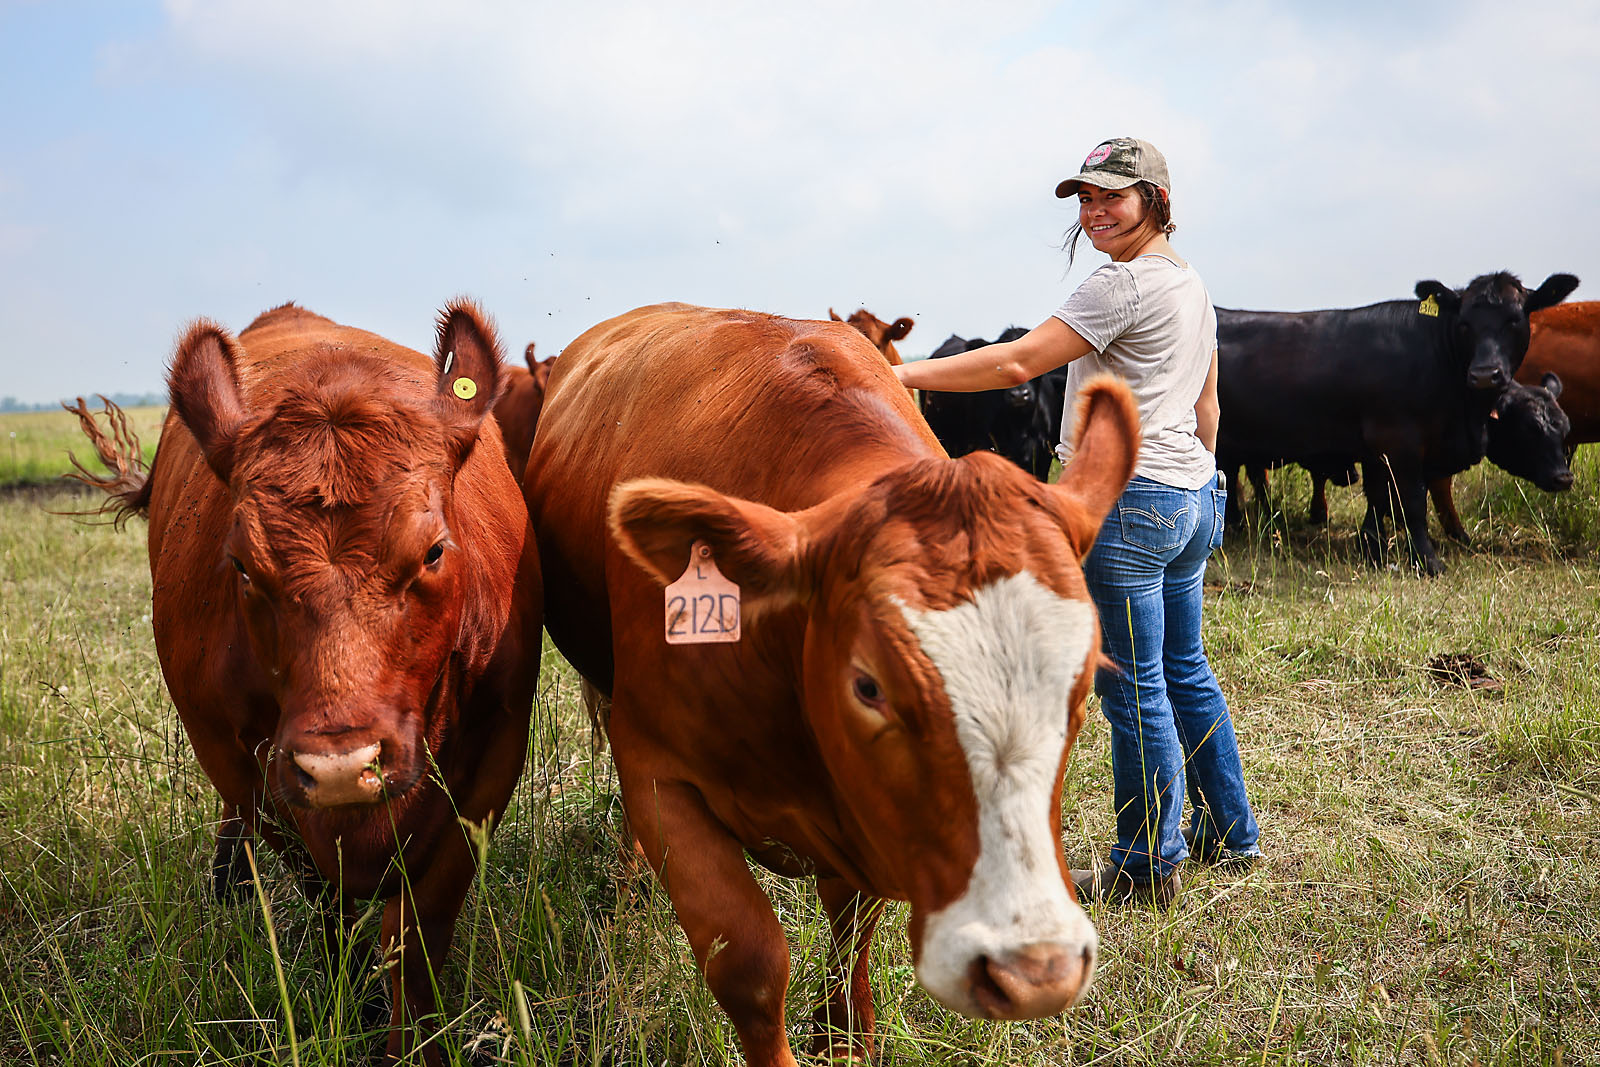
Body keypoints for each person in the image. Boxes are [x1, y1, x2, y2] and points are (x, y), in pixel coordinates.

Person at [893, 137, 1261, 907]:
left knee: (1133, 687)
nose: (1094, 212)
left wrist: (893, 373)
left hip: (1129, 503)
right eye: (1085, 199)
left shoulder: (1118, 287)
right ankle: (1233, 833)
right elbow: (1207, 407)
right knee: (1186, 668)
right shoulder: (1191, 285)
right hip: (1191, 494)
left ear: (1155, 201)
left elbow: (1013, 364)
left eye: (1111, 197)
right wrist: (1205, 489)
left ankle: (1147, 860)